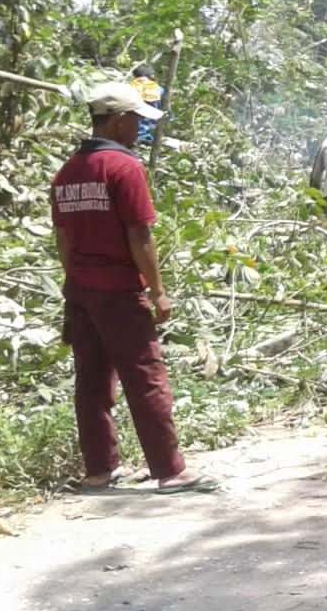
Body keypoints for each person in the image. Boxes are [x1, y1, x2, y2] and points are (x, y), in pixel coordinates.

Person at [51, 83, 215, 494]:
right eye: (138, 120)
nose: (140, 128)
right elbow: (139, 235)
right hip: (120, 291)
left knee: (91, 381)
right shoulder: (124, 168)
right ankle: (170, 471)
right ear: (119, 121)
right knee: (146, 376)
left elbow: (64, 241)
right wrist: (158, 291)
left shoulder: (68, 171)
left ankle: (99, 470)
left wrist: (77, 283)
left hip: (81, 290)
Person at [129, 65, 162, 147]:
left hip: (129, 130)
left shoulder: (129, 87)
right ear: (152, 76)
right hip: (150, 129)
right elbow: (166, 111)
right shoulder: (159, 89)